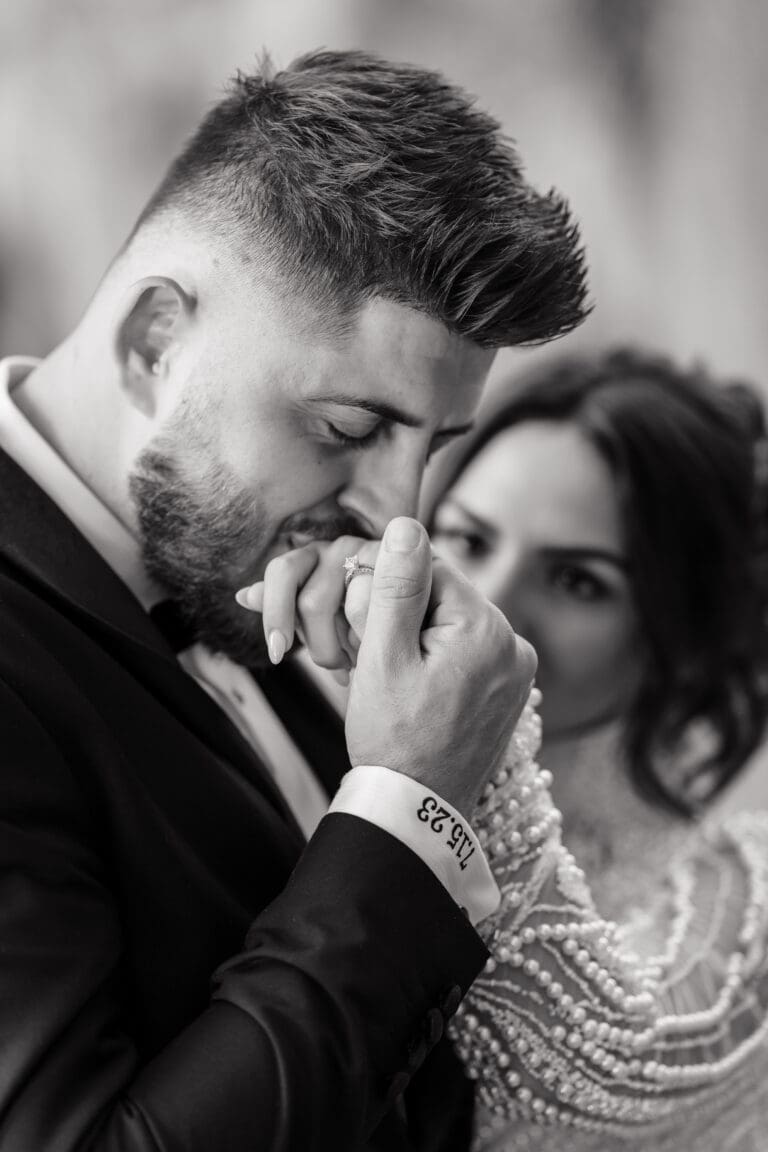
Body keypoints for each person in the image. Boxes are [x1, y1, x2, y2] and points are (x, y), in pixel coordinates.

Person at [0, 49, 589, 1152]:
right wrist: (407, 804)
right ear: (152, 344)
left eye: (436, 446)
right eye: (348, 430)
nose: (399, 513)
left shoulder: (263, 585)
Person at [424, 348, 768, 1149]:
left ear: (683, 637)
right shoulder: (318, 767)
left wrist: (468, 753)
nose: (492, 611)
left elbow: (594, 1066)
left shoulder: (740, 903)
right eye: (469, 541)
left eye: (578, 581)